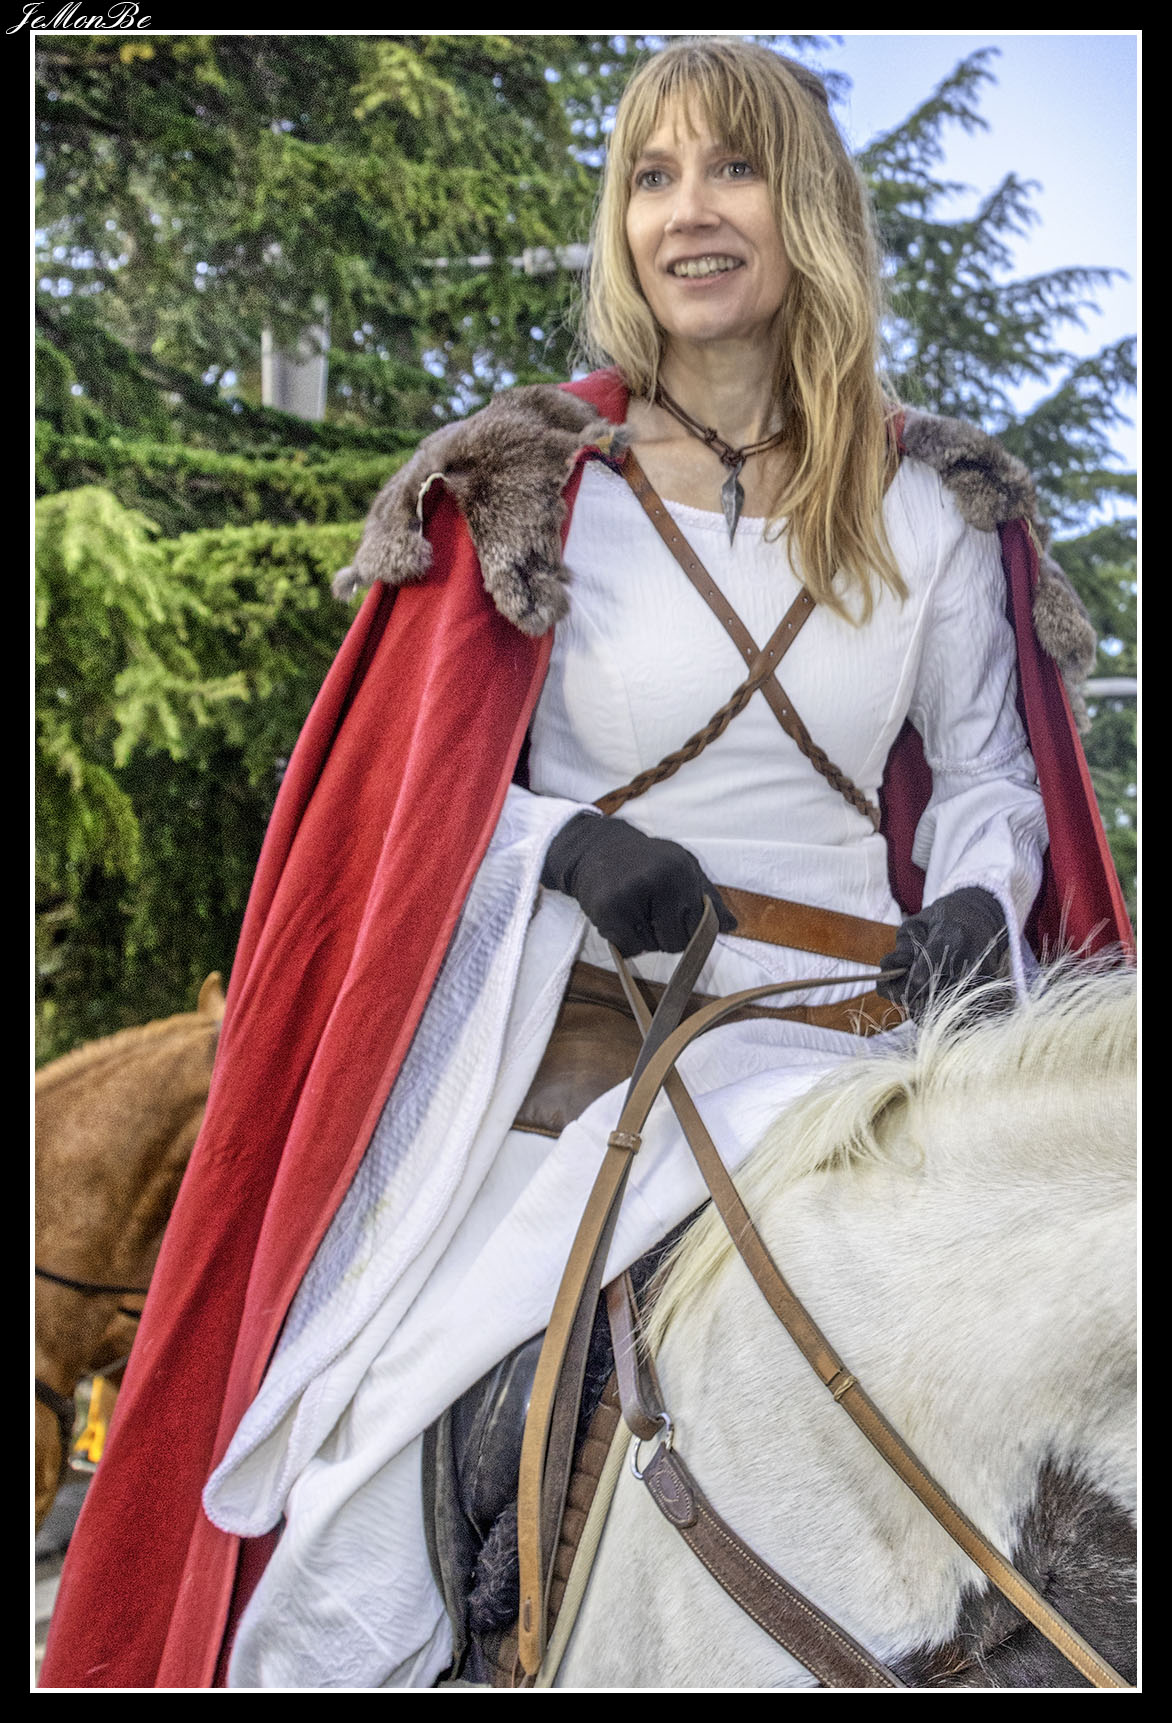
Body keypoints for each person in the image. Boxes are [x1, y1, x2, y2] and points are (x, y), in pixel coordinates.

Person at [40, 38, 1131, 1691]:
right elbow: (413, 819)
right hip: (584, 1035)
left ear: (809, 209)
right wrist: (569, 842)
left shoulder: (935, 507)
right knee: (366, 1462)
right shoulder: (532, 486)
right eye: (652, 178)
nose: (689, 213)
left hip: (857, 1034)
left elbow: (987, 770)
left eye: (733, 170)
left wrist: (979, 889)